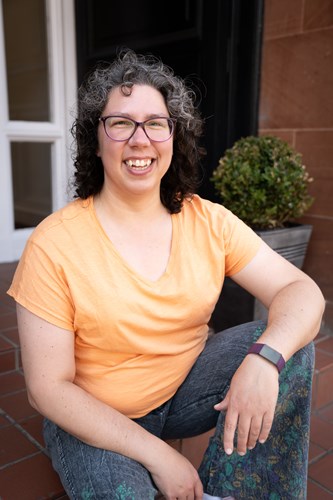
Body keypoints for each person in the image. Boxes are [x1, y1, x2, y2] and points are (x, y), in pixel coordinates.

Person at [8, 48, 324, 500]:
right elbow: (47, 389)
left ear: (173, 137)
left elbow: (301, 291)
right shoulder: (54, 244)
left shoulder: (208, 220)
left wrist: (263, 360)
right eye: (120, 123)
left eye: (155, 123)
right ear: (95, 141)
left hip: (185, 390)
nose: (140, 139)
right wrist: (161, 456)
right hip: (93, 415)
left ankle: (232, 491)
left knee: (289, 347)